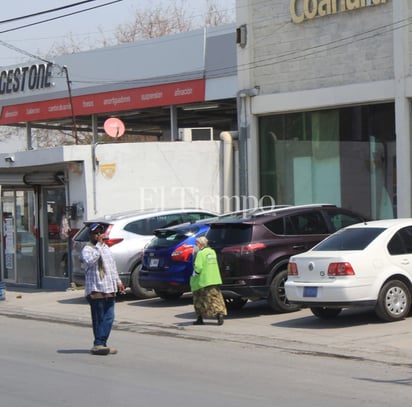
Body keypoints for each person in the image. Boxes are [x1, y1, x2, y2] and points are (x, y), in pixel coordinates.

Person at [81, 223, 126, 355]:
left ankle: (102, 343)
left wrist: (118, 282)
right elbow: (90, 262)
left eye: (100, 233)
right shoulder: (88, 249)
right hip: (96, 288)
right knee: (98, 318)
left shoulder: (106, 248)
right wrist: (99, 247)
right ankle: (99, 343)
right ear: (91, 235)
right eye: (96, 233)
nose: (99, 235)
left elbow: (112, 267)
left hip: (108, 287)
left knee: (109, 317)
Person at [190, 236, 227, 325]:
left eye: (197, 243)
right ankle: (219, 314)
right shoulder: (212, 252)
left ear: (201, 244)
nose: (196, 245)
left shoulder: (201, 253)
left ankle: (200, 318)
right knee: (215, 299)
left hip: (203, 281)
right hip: (214, 279)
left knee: (199, 300)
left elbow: (198, 267)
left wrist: (195, 273)